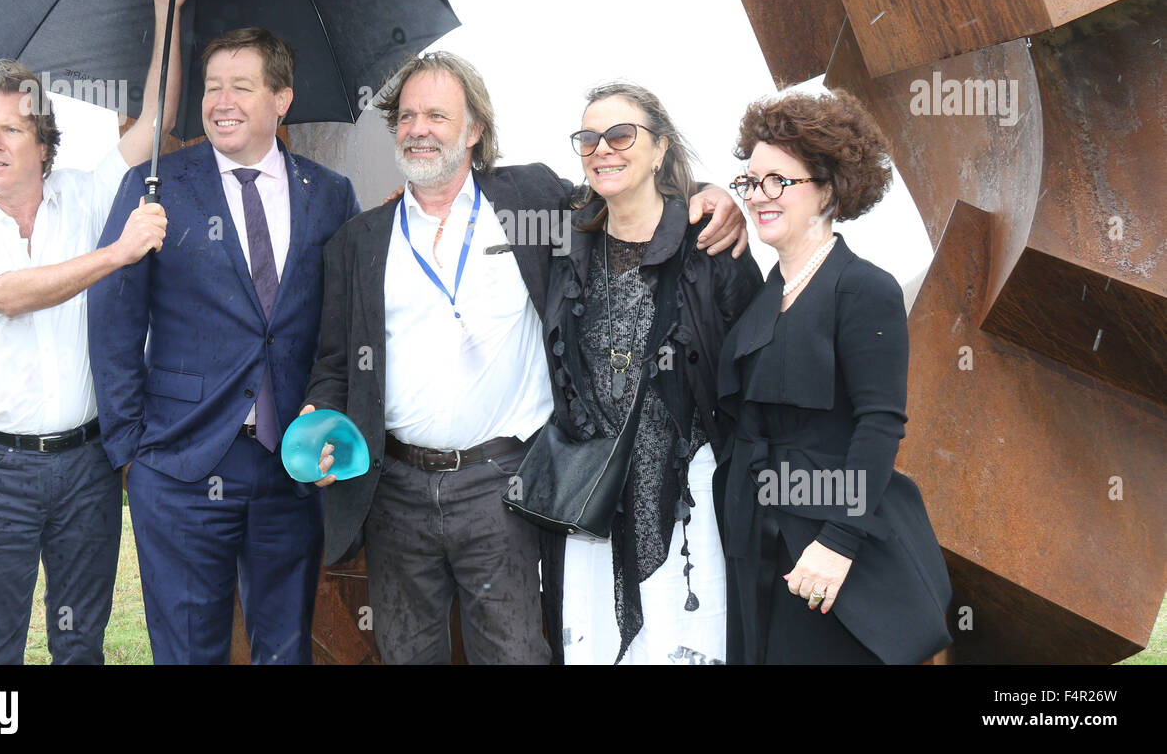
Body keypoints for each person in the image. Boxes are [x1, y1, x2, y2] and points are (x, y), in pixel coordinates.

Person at [301, 53, 747, 664]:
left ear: (474, 129)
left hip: (503, 485)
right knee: (405, 655)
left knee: (516, 655)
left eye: (438, 114)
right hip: (395, 491)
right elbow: (334, 364)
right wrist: (318, 414)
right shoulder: (360, 240)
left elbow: (624, 190)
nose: (419, 128)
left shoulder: (530, 200)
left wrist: (710, 195)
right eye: (407, 116)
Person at [0, 0, 190, 664]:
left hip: (86, 467)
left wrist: (166, 13)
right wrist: (117, 254)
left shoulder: (84, 193)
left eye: (11, 130)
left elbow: (158, 117)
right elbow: (7, 296)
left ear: (44, 143)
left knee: (80, 646)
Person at [88, 26, 360, 664]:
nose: (222, 101)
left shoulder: (330, 195)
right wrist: (132, 446)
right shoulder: (155, 186)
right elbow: (112, 317)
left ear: (281, 99)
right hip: (178, 464)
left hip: (288, 468)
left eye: (242, 86)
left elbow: (344, 325)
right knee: (187, 653)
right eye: (212, 88)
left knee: (284, 651)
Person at [715, 89, 952, 664]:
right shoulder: (759, 298)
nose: (758, 197)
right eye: (750, 182)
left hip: (831, 543)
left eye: (779, 181)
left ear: (826, 188)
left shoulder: (864, 288)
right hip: (757, 541)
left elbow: (880, 425)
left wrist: (839, 543)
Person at [540, 82, 763, 664]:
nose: (602, 149)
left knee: (681, 644)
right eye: (588, 138)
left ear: (660, 149)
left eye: (620, 135)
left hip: (688, 498)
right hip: (593, 499)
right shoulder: (566, 240)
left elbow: (757, 373)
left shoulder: (712, 247)